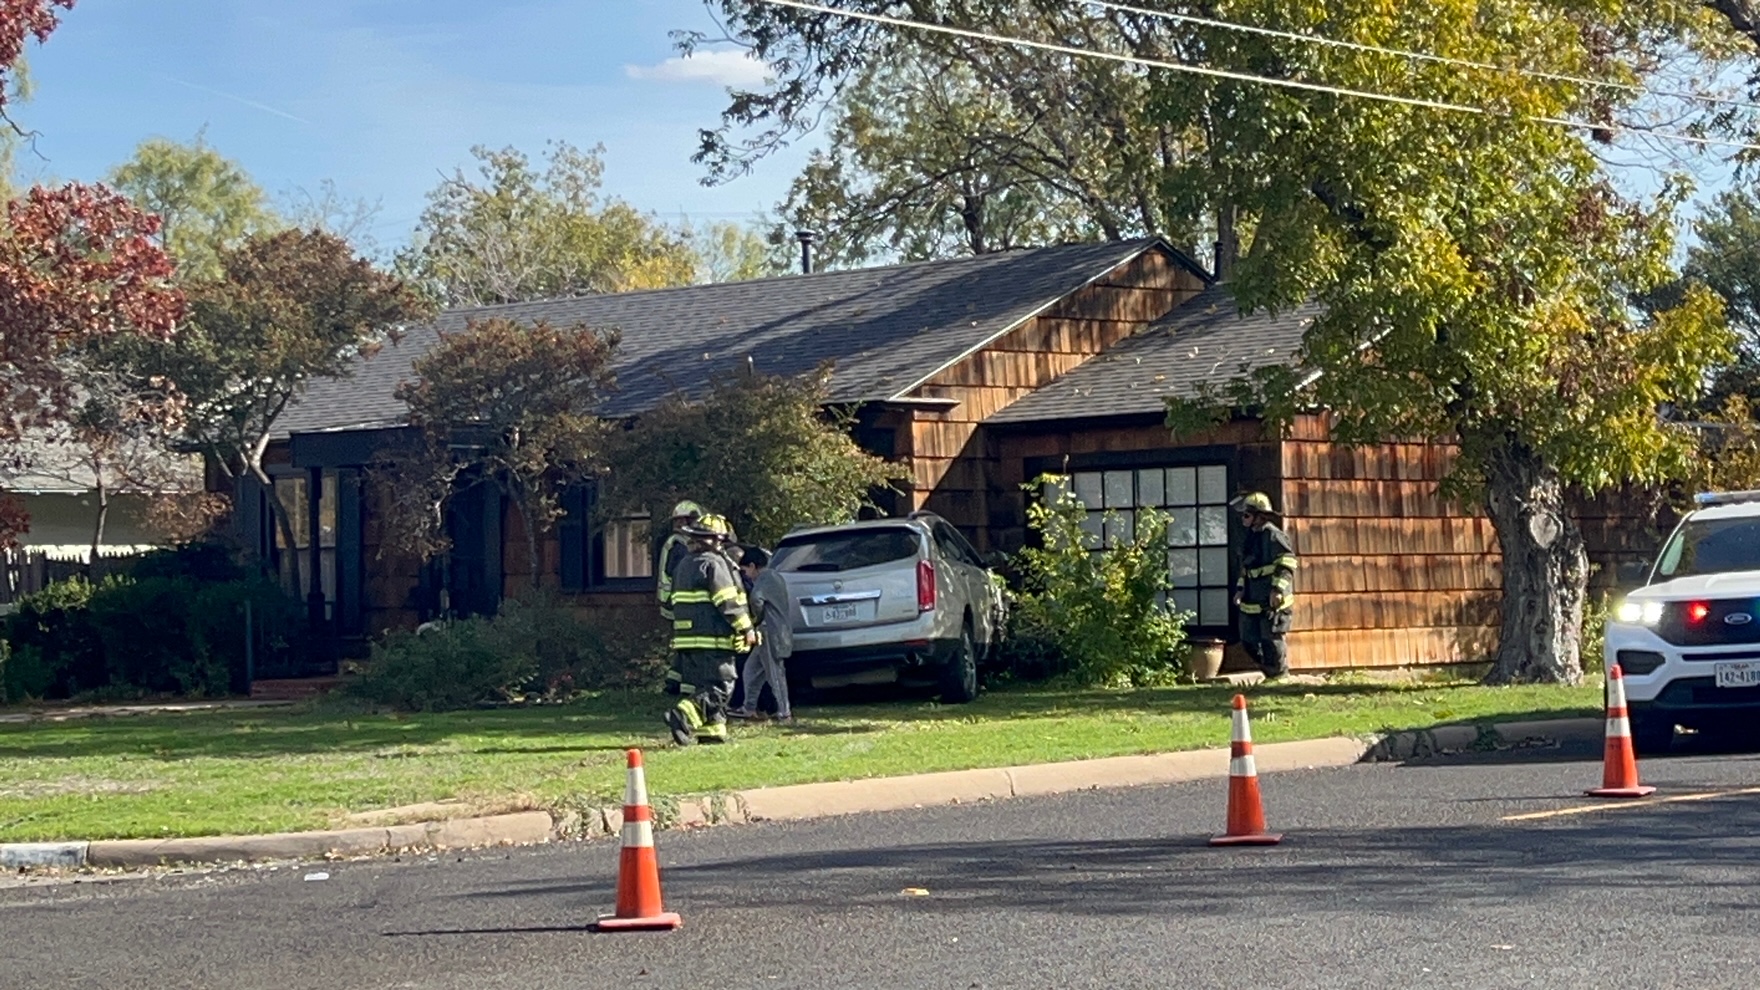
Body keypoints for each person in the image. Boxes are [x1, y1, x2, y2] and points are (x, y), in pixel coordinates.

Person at [663, 513, 757, 746]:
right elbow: (727, 601)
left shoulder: (684, 564)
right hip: (711, 638)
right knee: (719, 687)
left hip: (687, 639)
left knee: (701, 686)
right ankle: (684, 715)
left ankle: (712, 731)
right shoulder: (714, 564)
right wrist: (746, 629)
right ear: (717, 539)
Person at [1230, 491, 1297, 679]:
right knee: (1248, 640)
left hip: (1272, 599)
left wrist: (1277, 590)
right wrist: (1240, 590)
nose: (1243, 519)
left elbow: (1287, 563)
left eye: (1247, 515)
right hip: (1252, 598)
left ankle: (1279, 676)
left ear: (1260, 517)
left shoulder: (1274, 536)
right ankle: (1269, 673)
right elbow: (1246, 568)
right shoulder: (1249, 537)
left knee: (1271, 638)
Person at [729, 546, 793, 724]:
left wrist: (753, 618)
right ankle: (748, 708)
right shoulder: (776, 577)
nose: (746, 575)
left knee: (775, 674)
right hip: (775, 632)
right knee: (751, 670)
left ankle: (784, 713)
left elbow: (756, 599)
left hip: (769, 632)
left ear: (752, 565)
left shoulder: (764, 578)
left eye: (745, 570)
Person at [656, 500, 703, 695]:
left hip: (673, 602)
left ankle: (673, 683)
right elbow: (684, 575)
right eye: (694, 521)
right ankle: (688, 690)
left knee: (683, 646)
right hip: (680, 604)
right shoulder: (680, 546)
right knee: (690, 646)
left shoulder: (676, 543)